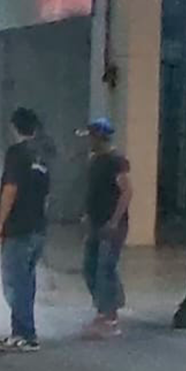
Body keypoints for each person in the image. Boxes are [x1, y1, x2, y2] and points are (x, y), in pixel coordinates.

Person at [0, 108, 50, 352]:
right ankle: (18, 332)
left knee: (14, 283)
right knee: (27, 280)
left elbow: (10, 190)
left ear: (14, 127)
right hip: (37, 226)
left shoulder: (16, 154)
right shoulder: (42, 155)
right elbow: (47, 195)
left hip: (18, 228)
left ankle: (28, 334)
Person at [78, 118, 132, 338]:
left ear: (100, 137)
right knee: (90, 267)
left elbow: (127, 191)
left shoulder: (116, 162)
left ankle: (109, 316)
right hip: (96, 222)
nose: (89, 141)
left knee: (105, 268)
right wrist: (87, 215)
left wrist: (114, 221)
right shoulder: (95, 161)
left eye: (91, 136)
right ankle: (106, 307)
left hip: (112, 225)